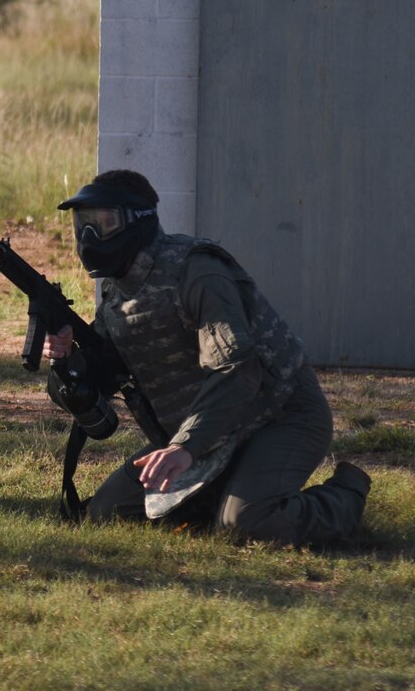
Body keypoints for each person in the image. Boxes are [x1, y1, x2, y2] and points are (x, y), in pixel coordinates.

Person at [39, 168, 370, 543]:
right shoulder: (118, 296)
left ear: (138, 221)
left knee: (248, 524)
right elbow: (97, 385)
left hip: (280, 414)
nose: (90, 237)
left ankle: (346, 492)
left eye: (104, 223)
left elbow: (237, 368)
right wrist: (64, 362)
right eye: (83, 225)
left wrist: (185, 447)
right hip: (207, 429)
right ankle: (221, 494)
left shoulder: (196, 271)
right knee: (109, 513)